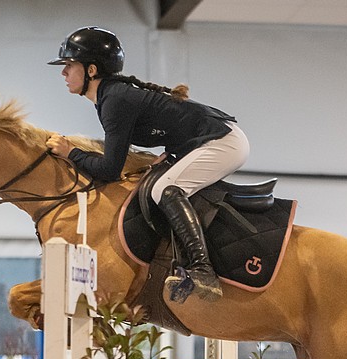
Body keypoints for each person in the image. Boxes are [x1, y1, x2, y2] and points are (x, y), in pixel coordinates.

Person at [46, 26, 250, 303]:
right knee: (159, 182)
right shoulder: (111, 96)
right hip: (205, 140)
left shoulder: (114, 100)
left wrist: (71, 153)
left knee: (165, 190)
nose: (63, 73)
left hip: (223, 142)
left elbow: (109, 170)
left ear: (91, 70)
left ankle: (203, 269)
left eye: (69, 65)